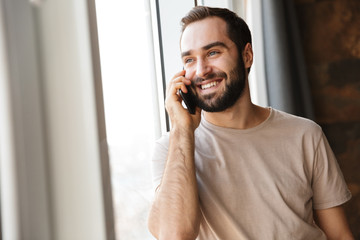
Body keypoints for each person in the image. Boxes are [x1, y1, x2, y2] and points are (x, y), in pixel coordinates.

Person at [147, 6, 354, 240]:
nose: (201, 70)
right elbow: (174, 235)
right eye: (190, 59)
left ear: (247, 55)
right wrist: (182, 130)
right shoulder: (172, 148)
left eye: (213, 52)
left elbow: (339, 234)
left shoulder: (305, 134)